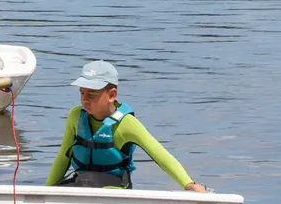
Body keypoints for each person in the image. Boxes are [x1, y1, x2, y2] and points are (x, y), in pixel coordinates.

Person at [45, 60, 207, 192]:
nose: (85, 99)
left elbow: (160, 155)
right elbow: (63, 157)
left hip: (116, 186)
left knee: (85, 181)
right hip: (82, 183)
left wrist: (188, 184)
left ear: (112, 95)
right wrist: (46, 191)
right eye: (82, 93)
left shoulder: (127, 124)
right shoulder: (75, 116)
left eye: (92, 94)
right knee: (67, 187)